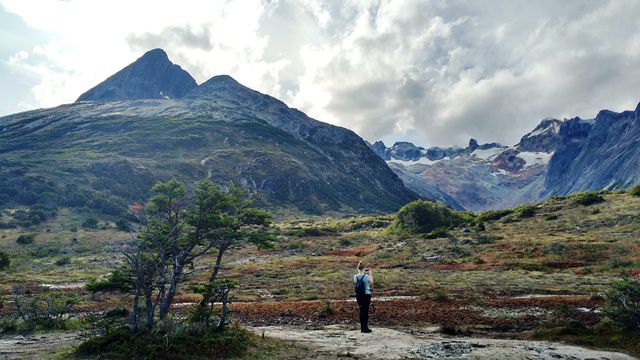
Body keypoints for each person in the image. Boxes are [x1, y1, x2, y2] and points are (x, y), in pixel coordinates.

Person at [354, 261, 374, 333]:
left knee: (361, 311)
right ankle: (365, 328)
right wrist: (370, 272)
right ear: (364, 268)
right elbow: (371, 281)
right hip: (366, 295)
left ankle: (362, 328)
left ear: (358, 268)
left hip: (358, 296)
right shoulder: (366, 276)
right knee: (366, 312)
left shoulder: (355, 276)